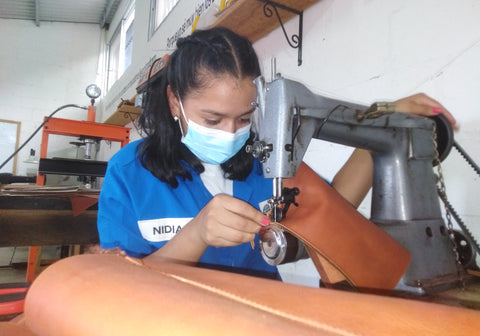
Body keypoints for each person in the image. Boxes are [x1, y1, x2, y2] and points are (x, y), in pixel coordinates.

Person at [97, 27, 457, 280]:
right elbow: (124, 282)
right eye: (213, 118)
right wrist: (196, 234)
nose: (230, 133)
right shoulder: (128, 174)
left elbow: (332, 211)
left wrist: (382, 132)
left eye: (244, 118)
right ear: (175, 100)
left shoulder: (260, 163)